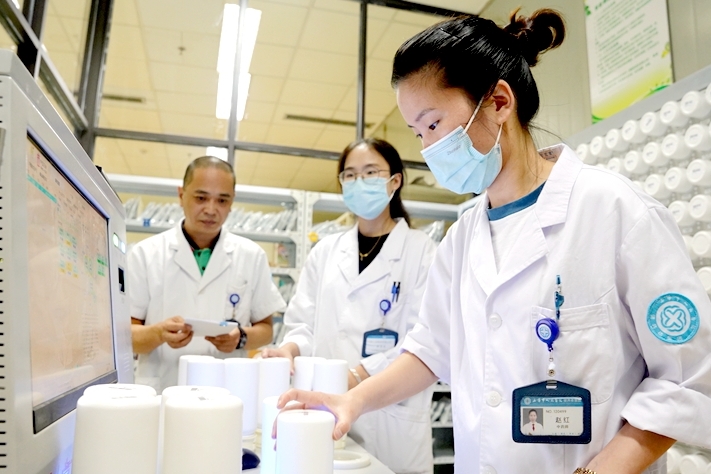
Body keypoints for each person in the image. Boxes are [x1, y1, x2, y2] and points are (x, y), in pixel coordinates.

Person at [277, 9, 711, 474]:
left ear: (500, 102)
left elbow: (685, 378)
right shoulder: (461, 238)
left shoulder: (616, 212)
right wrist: (353, 400)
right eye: (418, 134)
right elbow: (430, 350)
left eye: (433, 124)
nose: (428, 148)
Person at [263, 138, 436, 474]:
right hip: (326, 408)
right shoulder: (326, 252)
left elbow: (424, 338)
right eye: (350, 175)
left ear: (395, 181)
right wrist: (289, 349)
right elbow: (302, 324)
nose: (359, 182)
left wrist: (358, 375)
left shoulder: (422, 251)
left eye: (370, 173)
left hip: (390, 417)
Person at [129, 156, 286, 391]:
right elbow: (127, 337)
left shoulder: (252, 256)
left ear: (232, 202)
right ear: (181, 195)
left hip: (226, 389)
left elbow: (266, 331)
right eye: (201, 198)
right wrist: (159, 333)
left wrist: (240, 337)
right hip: (164, 387)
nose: (211, 210)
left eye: (222, 200)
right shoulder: (145, 254)